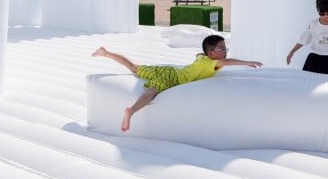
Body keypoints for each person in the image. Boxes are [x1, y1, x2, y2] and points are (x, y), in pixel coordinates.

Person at [92, 35, 262, 132]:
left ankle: (106, 53)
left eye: (225, 48)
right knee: (152, 91)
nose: (225, 52)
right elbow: (227, 62)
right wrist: (247, 62)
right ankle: (133, 110)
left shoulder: (203, 57)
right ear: (211, 52)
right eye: (222, 49)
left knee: (135, 68)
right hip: (174, 78)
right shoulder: (213, 62)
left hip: (170, 70)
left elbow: (198, 55)